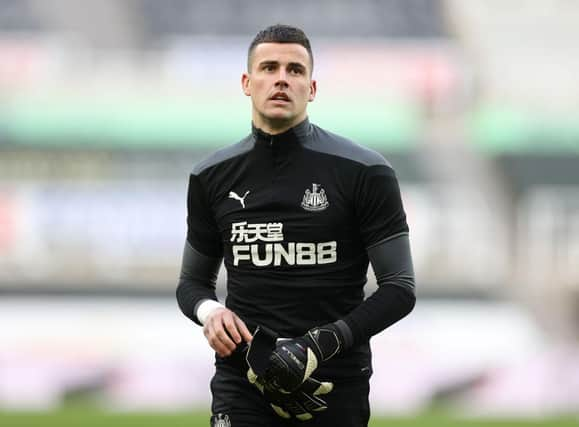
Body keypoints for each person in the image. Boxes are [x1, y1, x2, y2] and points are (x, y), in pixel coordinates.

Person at [177, 24, 416, 427]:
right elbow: (191, 284)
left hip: (331, 386)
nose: (281, 79)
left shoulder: (365, 171)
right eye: (269, 68)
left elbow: (399, 288)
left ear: (313, 87)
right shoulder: (211, 176)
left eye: (295, 70)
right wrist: (209, 311)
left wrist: (318, 346)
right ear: (246, 82)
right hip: (244, 383)